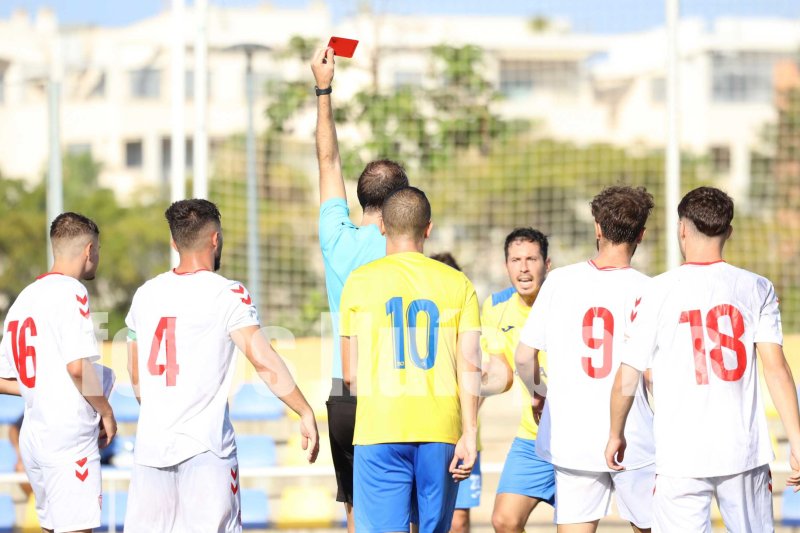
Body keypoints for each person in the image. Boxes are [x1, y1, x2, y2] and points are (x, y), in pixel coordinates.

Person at [606, 186, 800, 531]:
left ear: (682, 228)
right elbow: (776, 368)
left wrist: (615, 433)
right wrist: (797, 442)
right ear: (729, 231)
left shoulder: (657, 290)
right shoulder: (757, 287)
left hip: (679, 456)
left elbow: (628, 373)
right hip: (744, 451)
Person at [123, 199, 319, 532]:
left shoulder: (145, 294)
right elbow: (263, 359)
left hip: (150, 452)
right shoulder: (228, 293)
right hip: (205, 451)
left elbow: (135, 371)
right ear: (215, 239)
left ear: (174, 243)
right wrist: (304, 410)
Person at [340, 187, 481, 533]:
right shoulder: (458, 283)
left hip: (380, 429)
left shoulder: (359, 282)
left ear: (382, 227)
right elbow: (471, 367)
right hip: (441, 432)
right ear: (428, 228)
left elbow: (349, 377)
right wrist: (470, 434)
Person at [516, 186, 656, 533]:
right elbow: (654, 376)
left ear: (597, 228)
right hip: (633, 435)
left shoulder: (559, 281)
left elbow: (523, 357)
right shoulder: (651, 290)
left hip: (571, 436)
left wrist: (540, 391)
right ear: (641, 233)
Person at [311, 46, 409, 532]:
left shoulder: (336, 239)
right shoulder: (404, 251)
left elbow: (328, 159)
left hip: (341, 389)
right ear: (404, 205)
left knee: (357, 513)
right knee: (407, 510)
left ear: (362, 198)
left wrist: (324, 89)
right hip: (396, 386)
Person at [0, 212, 115, 533]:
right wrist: (106, 411)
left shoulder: (23, 299)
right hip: (68, 437)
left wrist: (45, 387)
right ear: (89, 250)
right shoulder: (72, 291)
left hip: (35, 436)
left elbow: (7, 379)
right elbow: (78, 367)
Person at [477, 228, 556, 533]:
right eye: (515, 259)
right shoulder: (495, 307)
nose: (523, 267)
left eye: (531, 259)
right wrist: (463, 385)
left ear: (546, 264)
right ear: (506, 265)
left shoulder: (565, 302)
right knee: (504, 521)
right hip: (533, 437)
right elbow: (500, 375)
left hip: (575, 437)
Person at [429, 251, 479, 533]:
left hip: (465, 437)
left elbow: (482, 371)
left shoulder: (468, 317)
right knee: (422, 518)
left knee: (458, 520)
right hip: (434, 433)